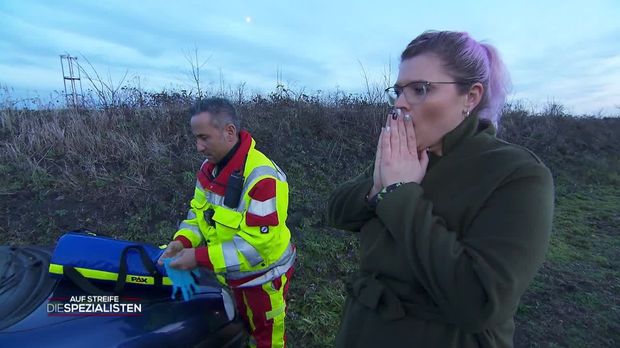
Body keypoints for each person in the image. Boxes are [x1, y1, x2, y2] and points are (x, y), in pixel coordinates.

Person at [327, 30, 554, 347]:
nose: (400, 104)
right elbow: (336, 211)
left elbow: (480, 302)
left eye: (419, 89)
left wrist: (400, 193)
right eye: (398, 91)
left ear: (471, 97)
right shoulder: (407, 152)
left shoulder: (518, 174)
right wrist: (377, 187)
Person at [159, 97, 295, 348]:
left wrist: (197, 258)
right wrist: (181, 242)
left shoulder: (262, 177)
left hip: (263, 280)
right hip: (229, 276)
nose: (199, 147)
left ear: (229, 132)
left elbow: (257, 247)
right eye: (196, 138)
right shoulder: (208, 169)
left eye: (204, 138)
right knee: (238, 328)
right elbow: (197, 215)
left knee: (267, 340)